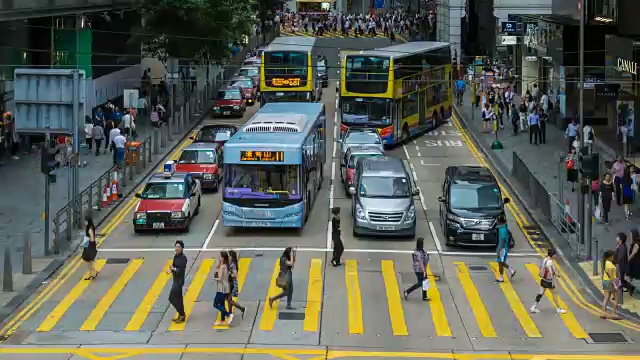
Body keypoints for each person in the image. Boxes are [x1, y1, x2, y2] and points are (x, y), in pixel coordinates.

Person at [530, 249, 566, 314]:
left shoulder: (545, 260)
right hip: (548, 281)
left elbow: (549, 269)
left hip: (543, 280)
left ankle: (533, 307)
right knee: (554, 294)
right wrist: (552, 282)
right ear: (552, 255)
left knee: (540, 293)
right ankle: (558, 309)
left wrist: (556, 273)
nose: (555, 256)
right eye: (555, 255)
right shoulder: (550, 262)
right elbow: (550, 272)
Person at [168, 240, 187, 324]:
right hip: (175, 280)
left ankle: (182, 314)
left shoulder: (183, 258)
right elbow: (174, 267)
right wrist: (171, 270)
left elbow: (181, 270)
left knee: (171, 298)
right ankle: (181, 315)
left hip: (179, 281)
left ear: (182, 248)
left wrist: (173, 269)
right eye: (176, 246)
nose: (177, 248)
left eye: (179, 247)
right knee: (179, 299)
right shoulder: (176, 256)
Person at [600, 250, 621, 320]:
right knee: (617, 298)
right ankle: (614, 313)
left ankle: (603, 312)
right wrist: (615, 285)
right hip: (610, 282)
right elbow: (611, 276)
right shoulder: (610, 265)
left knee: (606, 298)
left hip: (605, 281)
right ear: (610, 256)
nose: (613, 257)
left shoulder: (606, 262)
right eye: (613, 256)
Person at [214, 252, 234, 326]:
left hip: (221, 288)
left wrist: (214, 278)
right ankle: (222, 320)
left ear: (222, 258)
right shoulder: (226, 265)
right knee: (222, 304)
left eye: (219, 257)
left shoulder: (222, 267)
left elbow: (219, 278)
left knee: (215, 304)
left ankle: (228, 315)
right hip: (226, 287)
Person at [495, 214, 515, 282]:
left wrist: (499, 250)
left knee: (500, 263)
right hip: (503, 248)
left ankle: (502, 277)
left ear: (500, 221)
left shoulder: (502, 229)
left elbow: (503, 240)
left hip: (502, 248)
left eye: (497, 220)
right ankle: (511, 271)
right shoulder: (503, 227)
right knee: (501, 262)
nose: (496, 221)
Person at [227, 250, 246, 317]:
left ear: (232, 257)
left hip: (232, 283)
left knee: (228, 299)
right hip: (231, 283)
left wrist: (229, 273)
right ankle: (230, 312)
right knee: (229, 299)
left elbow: (235, 275)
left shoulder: (232, 265)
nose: (228, 257)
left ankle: (242, 308)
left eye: (229, 256)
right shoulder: (232, 263)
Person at [82, 216, 99, 280]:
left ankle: (91, 272)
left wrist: (88, 245)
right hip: (89, 245)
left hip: (89, 245)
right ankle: (93, 272)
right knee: (89, 260)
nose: (84, 222)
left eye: (85, 221)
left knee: (86, 259)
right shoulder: (90, 227)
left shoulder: (90, 229)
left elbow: (92, 238)